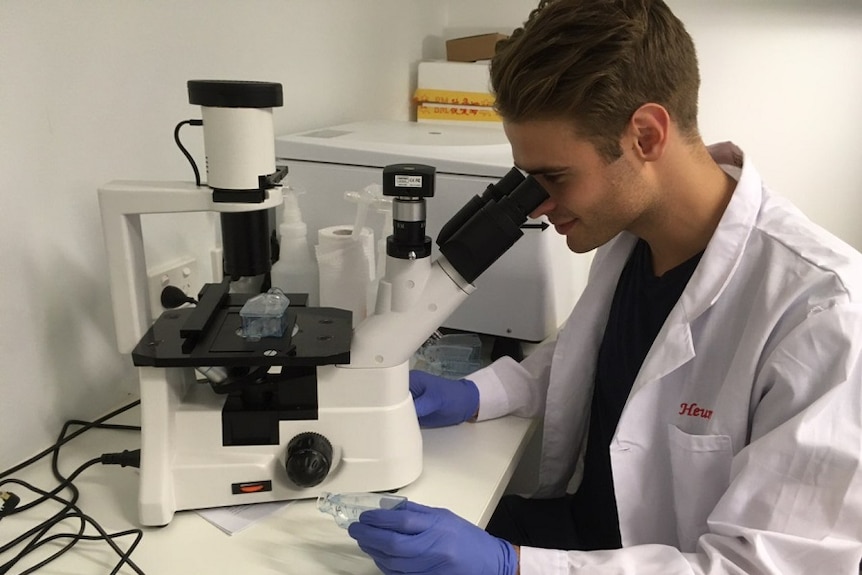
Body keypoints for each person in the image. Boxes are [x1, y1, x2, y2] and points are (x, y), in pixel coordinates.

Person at [347, 0, 862, 573]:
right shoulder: (632, 236)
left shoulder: (821, 312)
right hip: (580, 534)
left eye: (555, 177)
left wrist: (512, 567)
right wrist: (475, 395)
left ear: (644, 134)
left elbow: (759, 567)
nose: (538, 206)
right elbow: (586, 359)